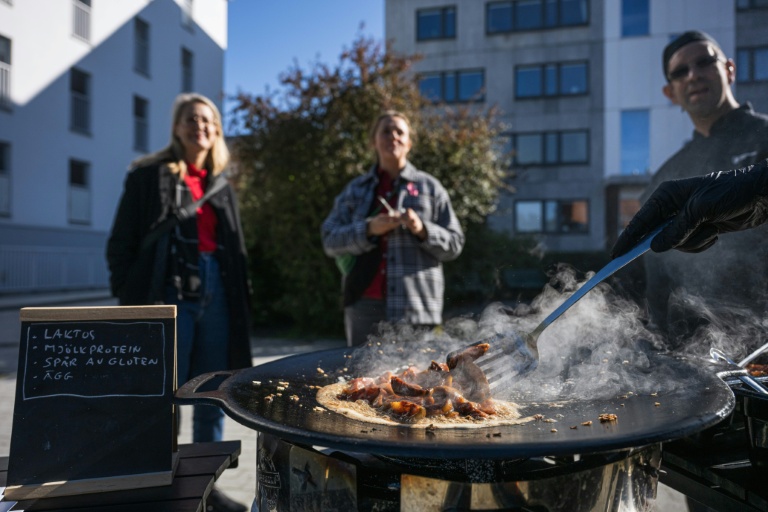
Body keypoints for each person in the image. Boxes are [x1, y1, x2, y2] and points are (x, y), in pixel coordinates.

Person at [106, 93, 250, 512]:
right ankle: (162, 479)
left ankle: (209, 487)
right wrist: (130, 295)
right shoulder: (148, 176)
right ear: (176, 126)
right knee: (164, 393)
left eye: (207, 120)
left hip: (217, 294)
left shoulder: (221, 185)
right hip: (169, 292)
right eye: (190, 118)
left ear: (217, 130)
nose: (199, 126)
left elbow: (235, 254)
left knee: (212, 392)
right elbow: (121, 244)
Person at [638, 30, 768, 344]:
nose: (693, 75)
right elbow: (654, 273)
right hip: (698, 354)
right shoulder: (667, 176)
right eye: (680, 72)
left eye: (705, 62)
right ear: (670, 93)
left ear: (730, 69)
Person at [321, 110, 465, 347]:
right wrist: (368, 229)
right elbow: (329, 240)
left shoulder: (431, 188)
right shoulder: (356, 190)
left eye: (400, 132)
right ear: (374, 141)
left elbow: (455, 244)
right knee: (362, 380)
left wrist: (423, 230)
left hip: (418, 305)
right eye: (385, 131)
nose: (393, 136)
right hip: (364, 305)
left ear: (409, 143)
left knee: (419, 380)